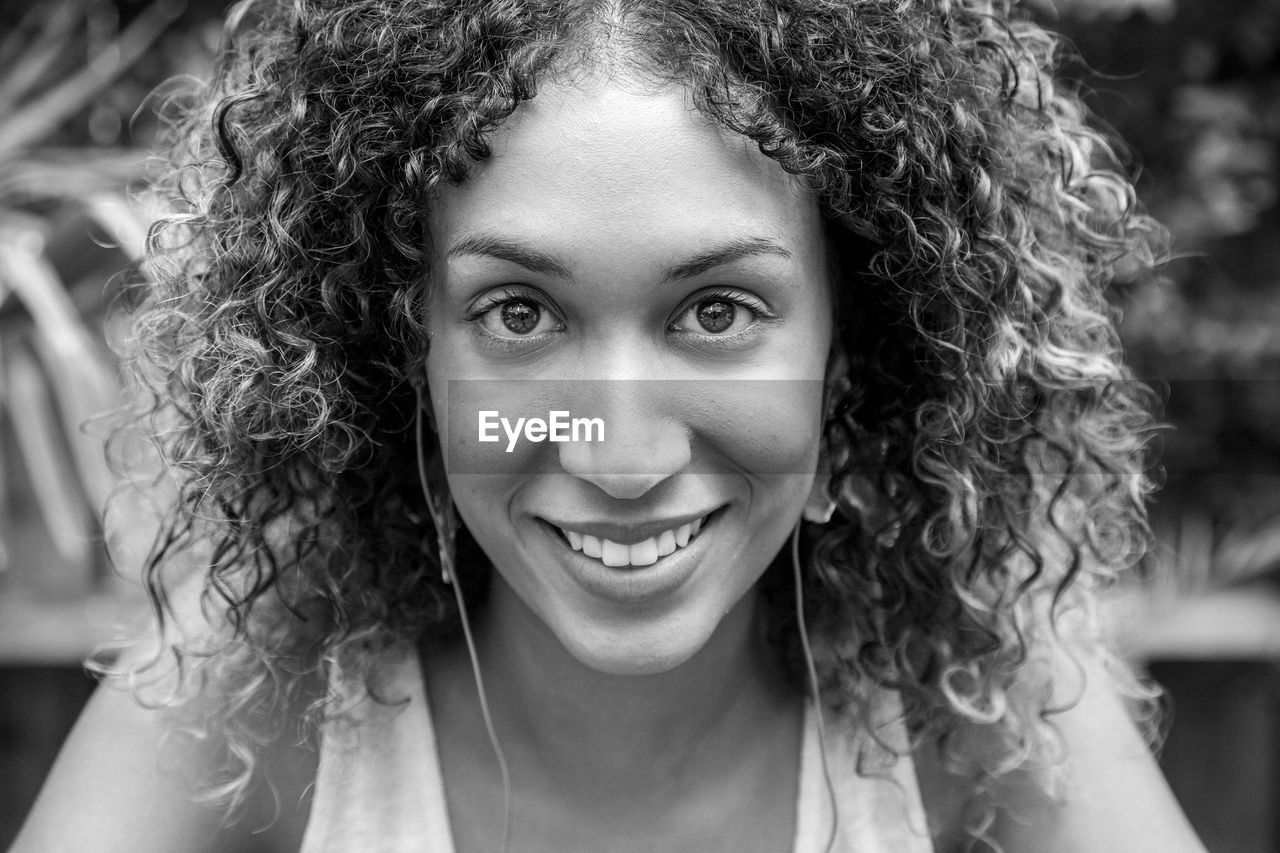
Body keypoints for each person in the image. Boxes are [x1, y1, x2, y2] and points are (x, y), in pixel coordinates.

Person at [13, 1, 1209, 852]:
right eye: (519, 313)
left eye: (718, 311)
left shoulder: (980, 706)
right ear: (402, 360)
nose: (623, 457)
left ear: (856, 356)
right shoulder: (256, 699)